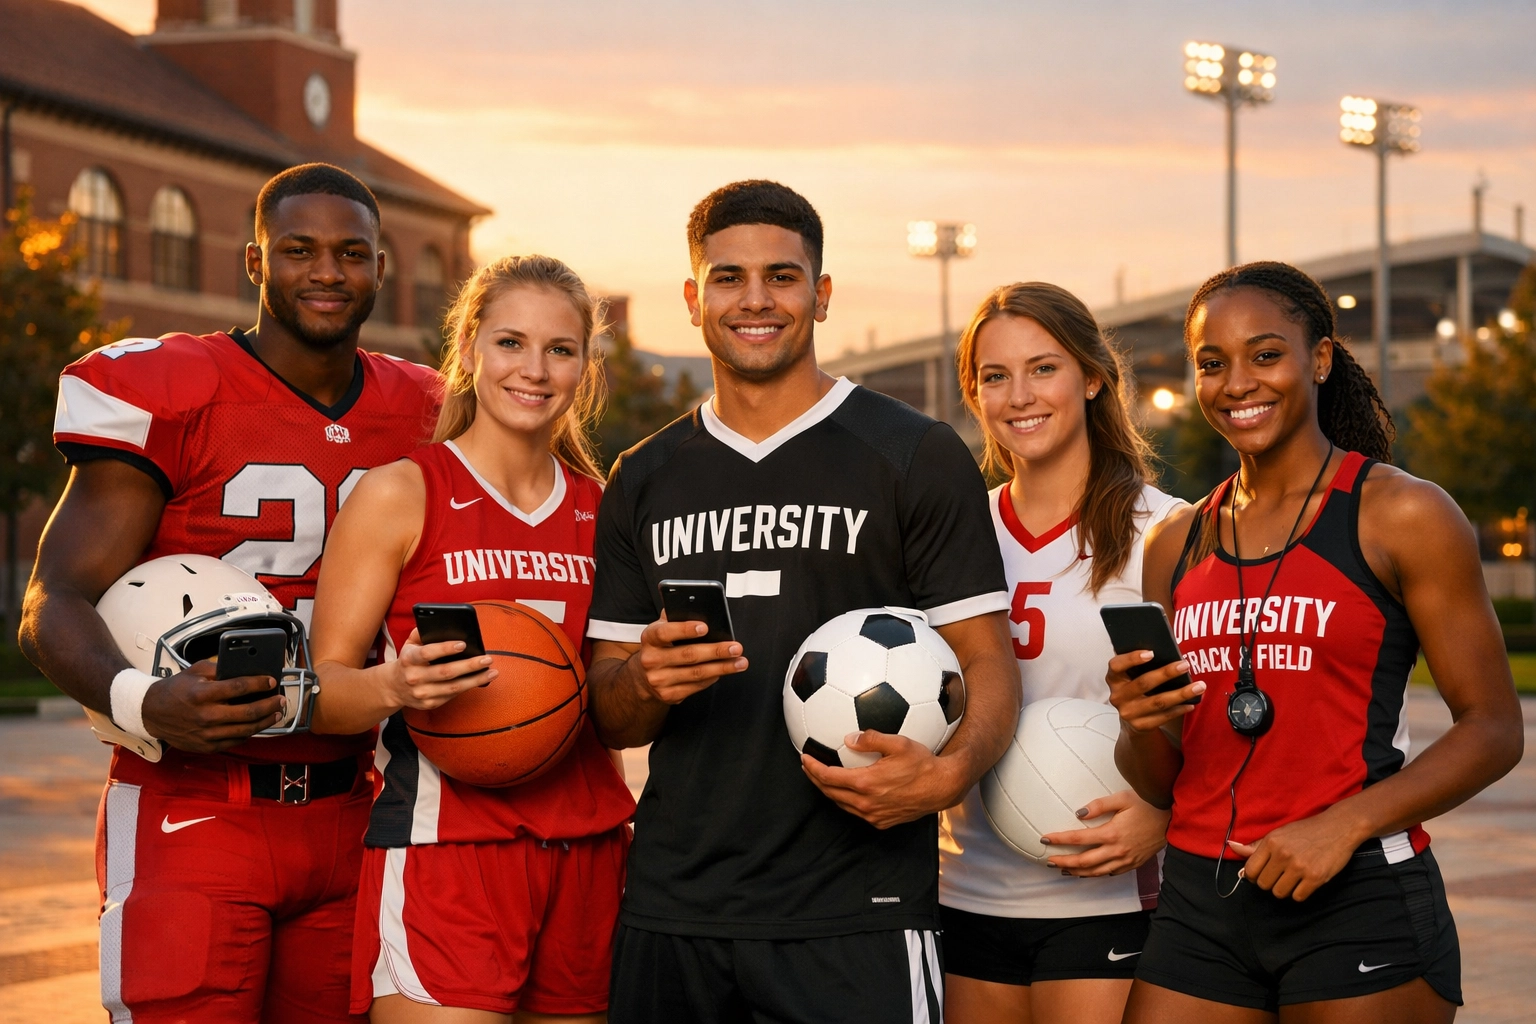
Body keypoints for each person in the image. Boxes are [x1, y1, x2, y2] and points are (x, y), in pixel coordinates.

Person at [584, 179, 1019, 1024]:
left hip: (855, 910)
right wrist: (645, 681)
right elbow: (609, 713)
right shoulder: (644, 475)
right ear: (692, 298)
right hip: (677, 908)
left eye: (782, 277)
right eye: (728, 277)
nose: (755, 300)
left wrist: (947, 776)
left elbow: (987, 662)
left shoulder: (912, 454)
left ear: (821, 295)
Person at [19, 164, 440, 1022]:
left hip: (356, 803)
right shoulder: (171, 390)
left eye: (351, 252)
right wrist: (142, 700)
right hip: (197, 802)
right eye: (299, 250)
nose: (327, 271)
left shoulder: (428, 408)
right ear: (254, 261)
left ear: (380, 269)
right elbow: (51, 601)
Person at [1107, 261, 1525, 1023]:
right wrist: (1140, 720)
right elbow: (1160, 779)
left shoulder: (1401, 513)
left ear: (1320, 359)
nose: (1237, 383)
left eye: (1265, 354)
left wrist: (1347, 823)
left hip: (1355, 893)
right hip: (1202, 903)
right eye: (1212, 363)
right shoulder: (1176, 540)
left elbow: (1495, 729)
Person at [307, 254, 635, 1023]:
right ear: (468, 350)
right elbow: (319, 691)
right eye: (511, 343)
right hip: (446, 852)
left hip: (588, 850)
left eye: (561, 349)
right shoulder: (401, 492)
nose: (536, 369)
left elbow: (610, 698)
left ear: (585, 367)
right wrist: (394, 687)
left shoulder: (605, 511)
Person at [939, 282, 1185, 1024]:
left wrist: (1164, 817)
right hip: (964, 886)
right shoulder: (952, 535)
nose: (1020, 395)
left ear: (1093, 375)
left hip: (1110, 893)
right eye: (994, 375)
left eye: (1043, 368)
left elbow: (1215, 719)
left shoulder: (1165, 531)